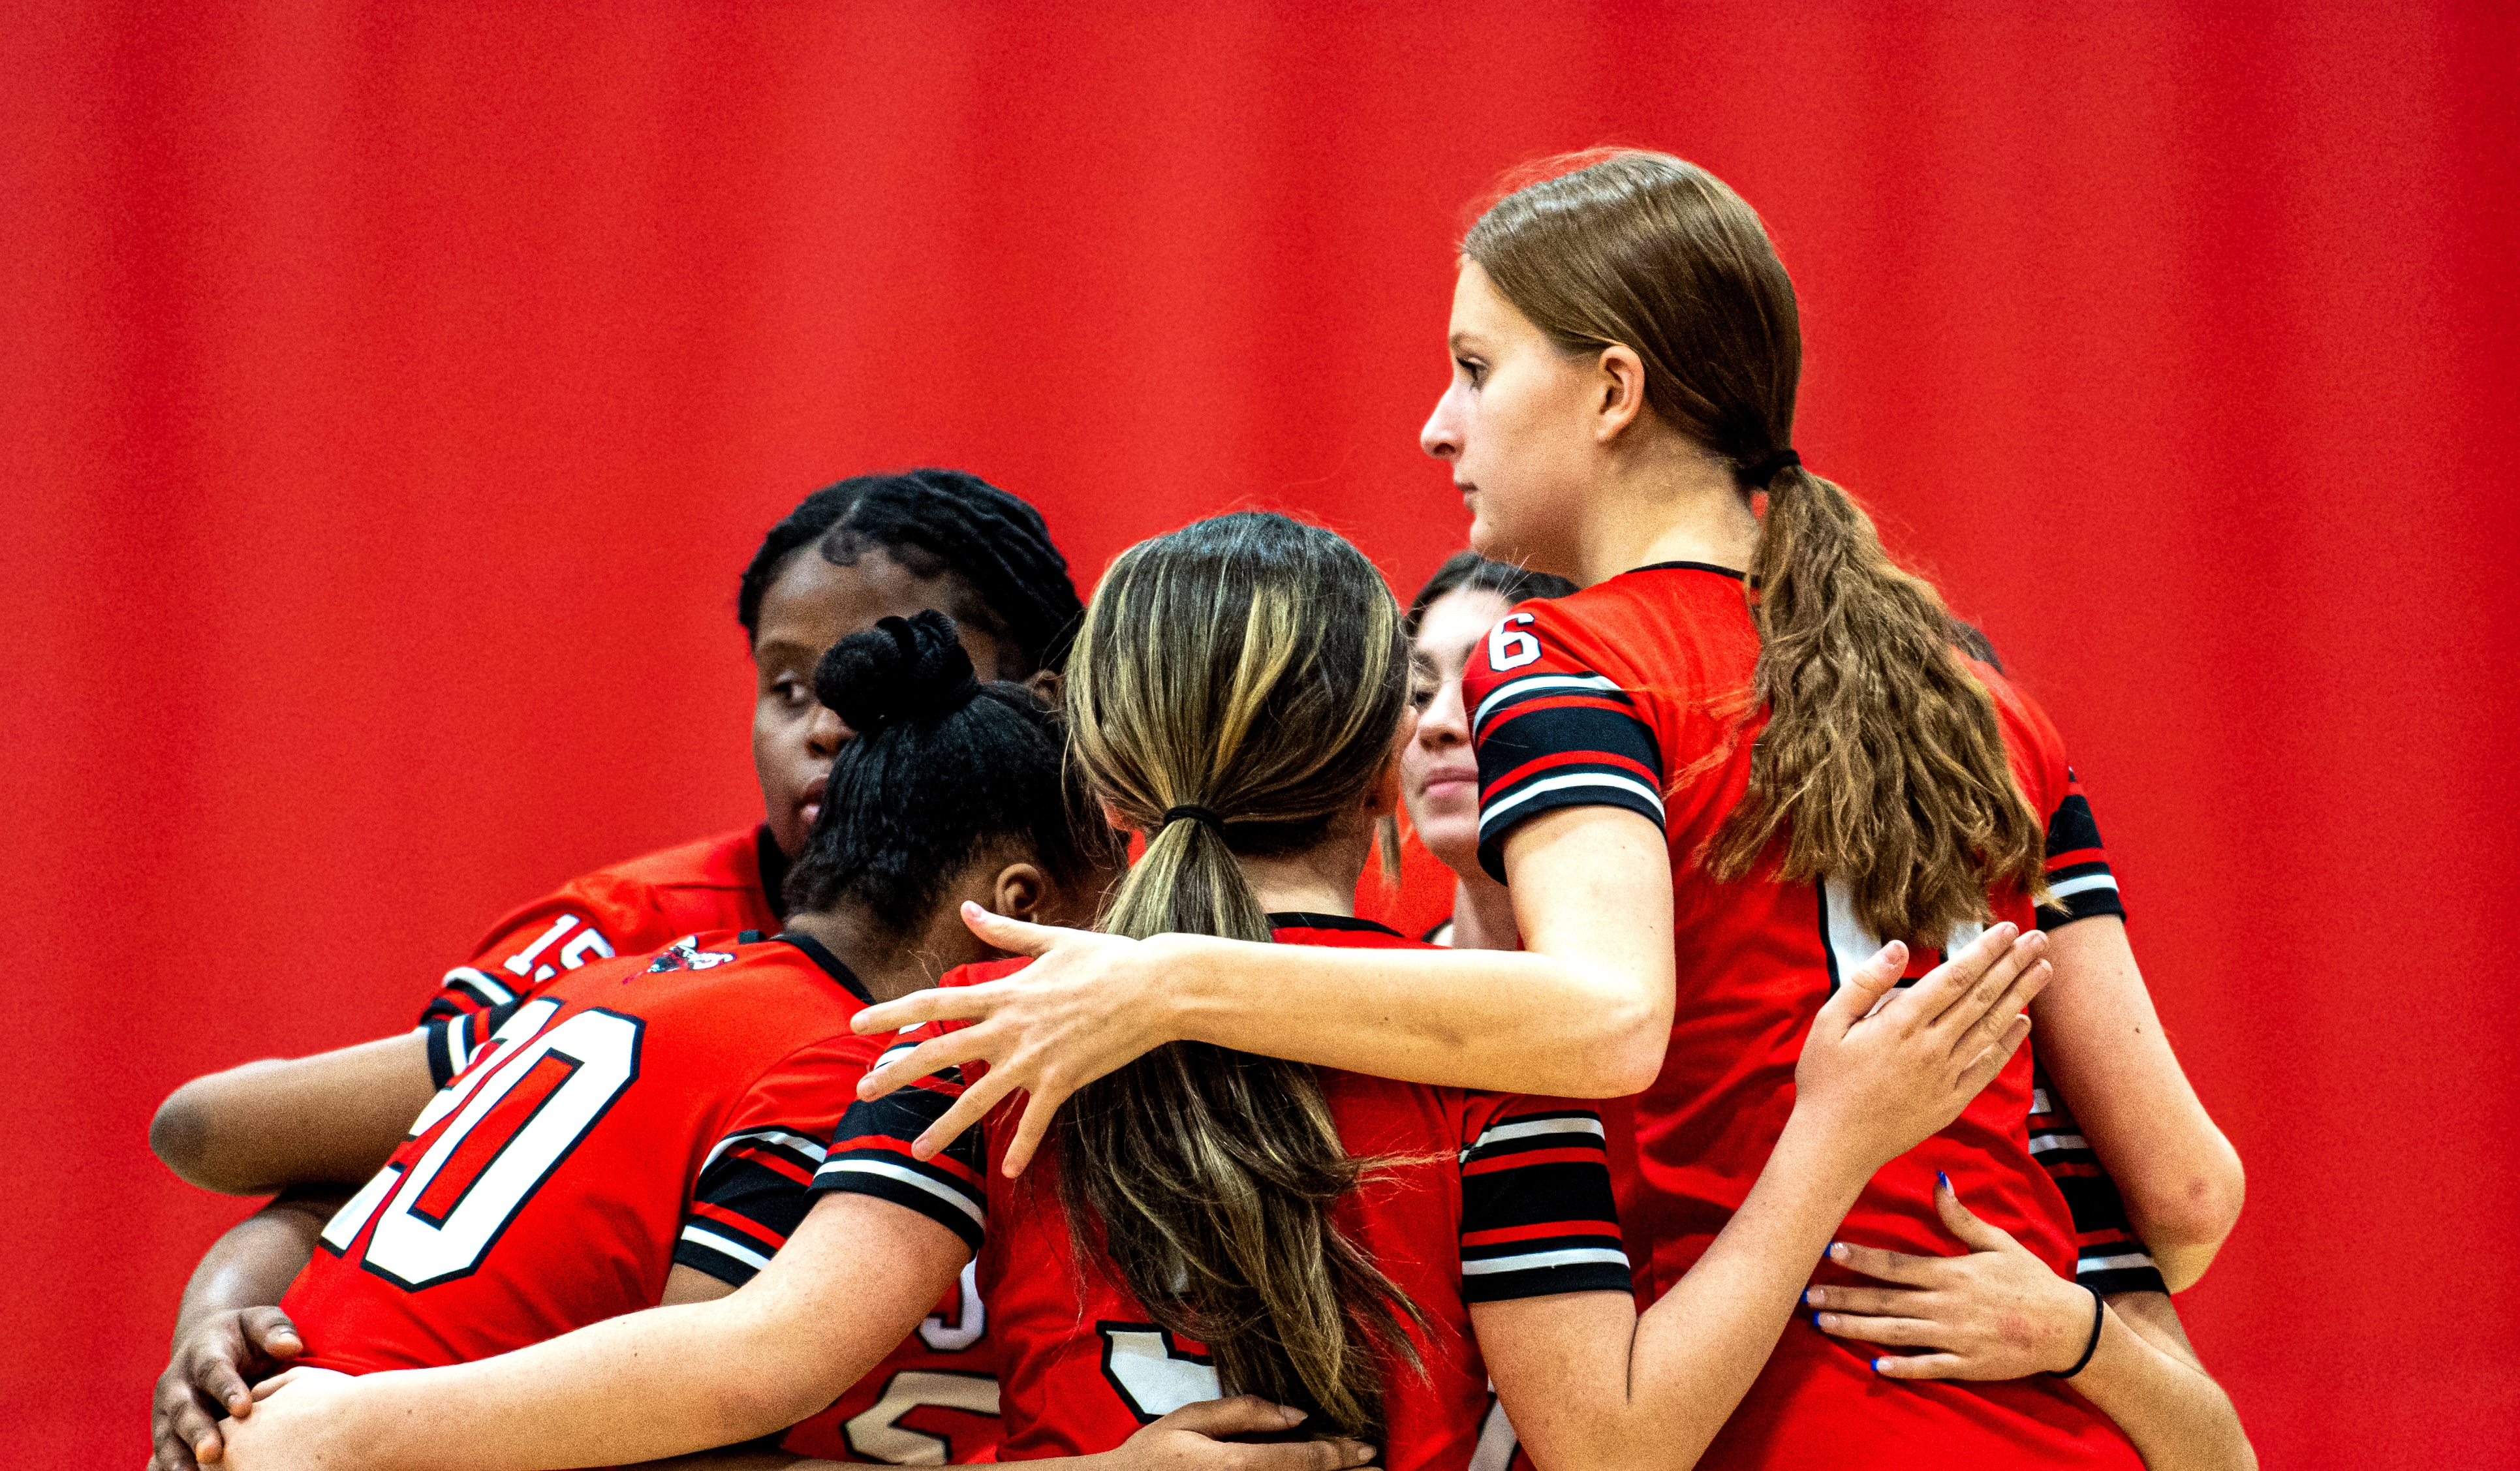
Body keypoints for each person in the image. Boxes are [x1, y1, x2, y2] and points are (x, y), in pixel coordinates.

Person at [845, 157, 2251, 1468]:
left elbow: (1604, 1015)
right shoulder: (1976, 693)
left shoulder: (1563, 652)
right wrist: (2064, 1321)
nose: (1436, 422)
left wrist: (1165, 982)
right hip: (2044, 1411)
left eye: (1473, 365)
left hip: (1788, 1408)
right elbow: (2186, 1195)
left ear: (1612, 389)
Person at [211, 511, 2045, 1471]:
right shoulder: (1492, 1052)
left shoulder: (975, 1018)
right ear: (1371, 767)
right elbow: (1618, 1436)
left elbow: (744, 1361)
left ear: (1096, 760)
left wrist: (353, 1421)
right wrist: (1826, 1136)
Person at [146, 471, 1084, 1471]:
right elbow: (328, 1177)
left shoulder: (1143, 937)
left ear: (1043, 704)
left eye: (886, 681)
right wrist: (226, 1337)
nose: (825, 727)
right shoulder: (639, 952)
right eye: (791, 687)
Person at [1398, 552, 1576, 949]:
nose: (1434, 723)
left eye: (1490, 686)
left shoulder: (1671, 996)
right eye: (1420, 693)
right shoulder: (1379, 992)